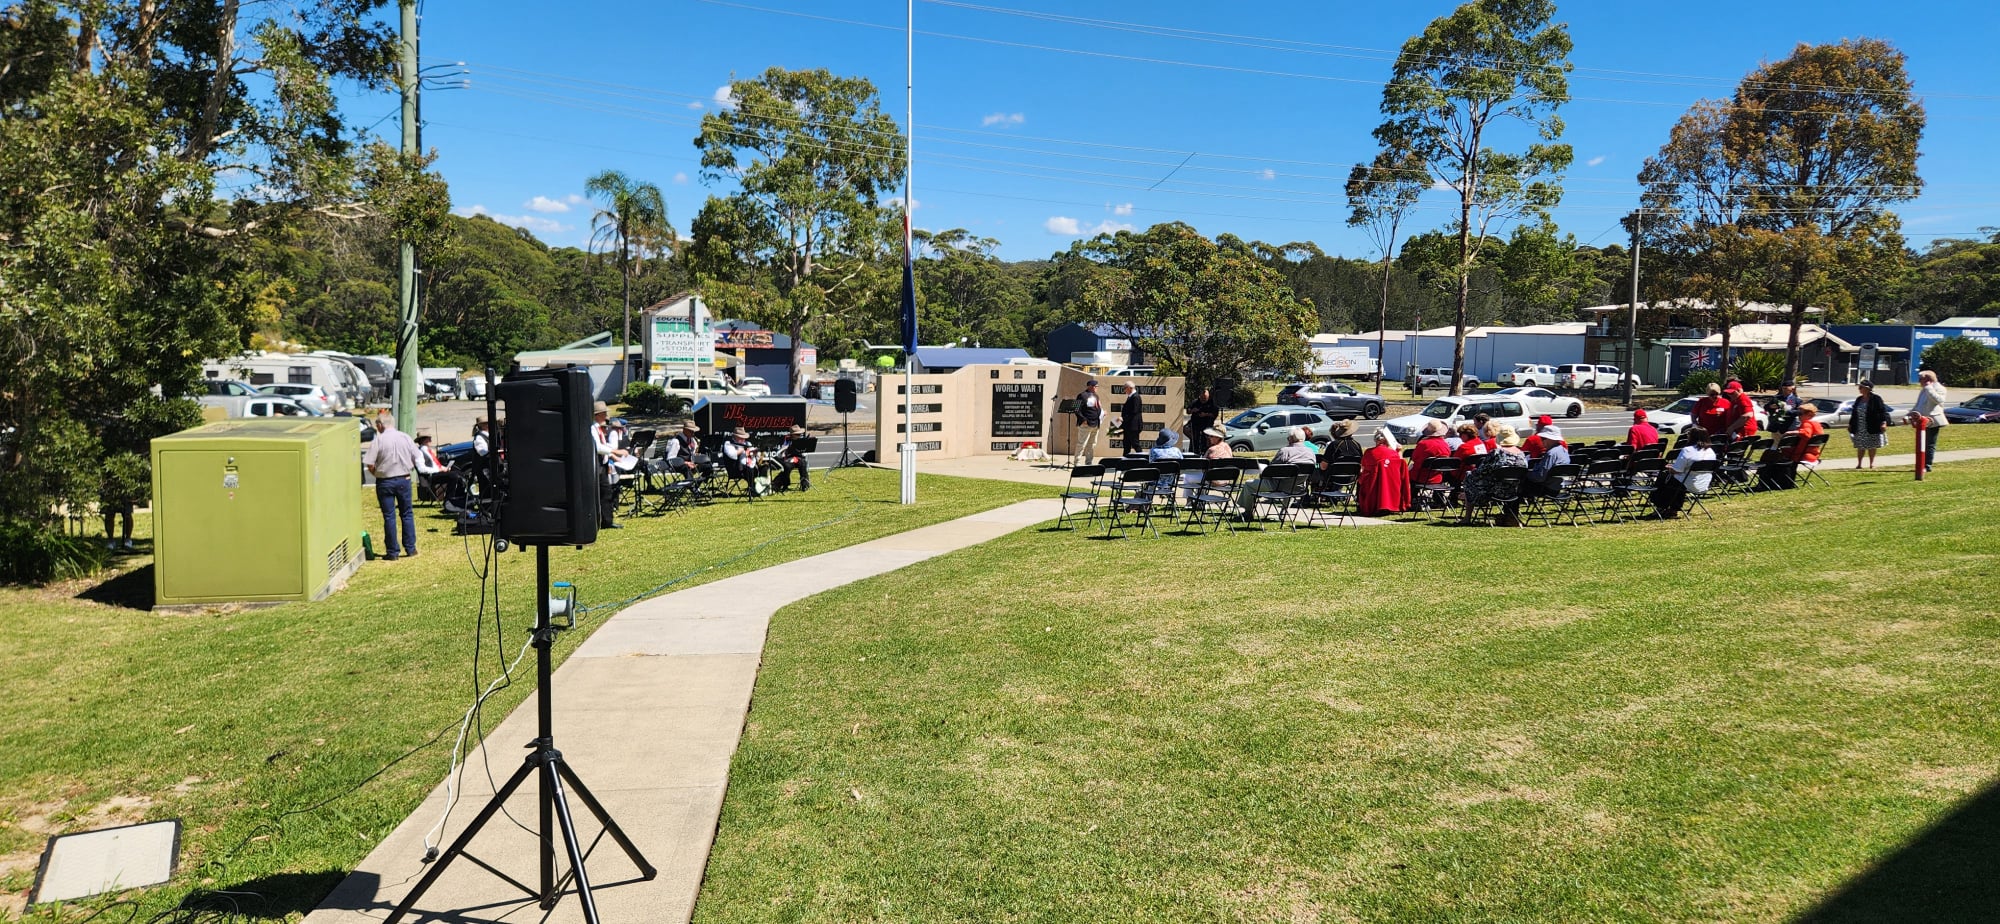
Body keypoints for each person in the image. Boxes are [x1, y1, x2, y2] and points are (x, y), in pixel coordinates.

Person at [363, 412, 423, 559]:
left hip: (385, 481)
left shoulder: (379, 440)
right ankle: (410, 548)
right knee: (407, 514)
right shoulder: (405, 437)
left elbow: (369, 463)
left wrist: (376, 473)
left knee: (389, 516)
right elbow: (417, 457)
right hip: (404, 479)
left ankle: (392, 551)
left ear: (380, 425)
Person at [1653, 431, 1716, 518]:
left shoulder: (1687, 450)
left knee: (1665, 476)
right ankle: (1673, 509)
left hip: (1687, 483)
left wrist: (1670, 468)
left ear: (1692, 437)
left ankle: (1660, 506)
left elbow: (1677, 470)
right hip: (1704, 483)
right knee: (1676, 481)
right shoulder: (1711, 451)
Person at [591, 401, 631, 529]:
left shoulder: (598, 428)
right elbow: (598, 447)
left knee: (606, 492)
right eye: (604, 414)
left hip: (602, 465)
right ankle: (601, 521)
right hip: (596, 465)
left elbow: (604, 446)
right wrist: (616, 452)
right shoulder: (592, 429)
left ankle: (607, 521)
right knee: (600, 493)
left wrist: (613, 456)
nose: (606, 416)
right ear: (597, 415)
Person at [1357, 428, 1411, 517]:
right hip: (1392, 483)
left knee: (1361, 478)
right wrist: (1399, 451)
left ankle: (1360, 503)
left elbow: (1363, 467)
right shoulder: (1393, 453)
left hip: (1372, 483)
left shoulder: (1369, 452)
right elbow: (1401, 464)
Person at [1909, 369, 1949, 473]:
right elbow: (1919, 405)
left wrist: (1929, 388)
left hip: (1933, 420)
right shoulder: (1924, 389)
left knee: (1929, 444)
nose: (1919, 381)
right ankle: (1920, 464)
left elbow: (1938, 400)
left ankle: (1927, 466)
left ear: (1928, 379)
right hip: (1921, 420)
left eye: (1921, 379)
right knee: (1921, 443)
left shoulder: (1939, 388)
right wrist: (1910, 414)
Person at [1847, 380, 1890, 469]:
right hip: (1860, 426)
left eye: (1861, 387)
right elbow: (1854, 413)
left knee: (1872, 446)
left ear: (1867, 389)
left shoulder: (1876, 398)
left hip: (1872, 425)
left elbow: (1882, 411)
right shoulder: (1859, 399)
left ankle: (1871, 463)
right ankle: (1859, 464)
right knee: (1860, 446)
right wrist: (1850, 424)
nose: (1859, 389)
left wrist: (1884, 422)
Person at [1523, 423, 1572, 499]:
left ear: (1551, 439)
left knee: (1520, 482)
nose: (1541, 441)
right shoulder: (1564, 451)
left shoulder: (1551, 454)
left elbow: (1540, 477)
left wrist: (1526, 473)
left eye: (1543, 438)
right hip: (1557, 487)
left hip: (1545, 489)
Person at [1408, 420, 1453, 495]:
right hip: (1438, 477)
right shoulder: (1445, 444)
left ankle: (1412, 497)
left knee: (1409, 472)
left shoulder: (1423, 444)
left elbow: (1414, 458)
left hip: (1421, 477)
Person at [1072, 379, 1103, 466]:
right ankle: (1077, 462)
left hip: (1095, 424)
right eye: (1095, 386)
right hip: (1086, 424)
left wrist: (1102, 414)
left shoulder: (1096, 396)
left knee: (1092, 444)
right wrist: (1083, 419)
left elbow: (1097, 408)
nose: (1096, 388)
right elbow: (1076, 409)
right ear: (1090, 386)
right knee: (1082, 444)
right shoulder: (1082, 395)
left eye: (1097, 386)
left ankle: (1089, 462)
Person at [773, 424, 812, 492]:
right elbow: (780, 453)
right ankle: (783, 483)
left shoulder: (802, 440)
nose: (799, 435)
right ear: (792, 435)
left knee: (803, 464)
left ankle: (805, 485)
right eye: (797, 434)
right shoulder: (787, 439)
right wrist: (786, 448)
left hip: (799, 458)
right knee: (787, 466)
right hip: (789, 458)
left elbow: (805, 453)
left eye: (800, 434)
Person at [1185, 387, 1219, 452]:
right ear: (1200, 396)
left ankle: (1205, 451)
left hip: (1207, 425)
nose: (1203, 399)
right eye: (1202, 398)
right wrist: (1192, 410)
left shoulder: (1212, 403)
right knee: (1190, 433)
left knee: (1205, 440)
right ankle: (1193, 450)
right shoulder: (1195, 402)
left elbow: (1215, 414)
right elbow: (1188, 411)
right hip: (1195, 424)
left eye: (1205, 398)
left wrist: (1206, 414)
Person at [1120, 387, 1147, 456]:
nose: (1124, 390)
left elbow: (1134, 412)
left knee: (1135, 444)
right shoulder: (1131, 397)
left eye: (1125, 388)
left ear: (1129, 388)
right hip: (1128, 426)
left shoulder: (1136, 397)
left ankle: (1142, 459)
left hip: (1133, 426)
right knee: (1126, 445)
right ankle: (1125, 460)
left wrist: (1124, 418)